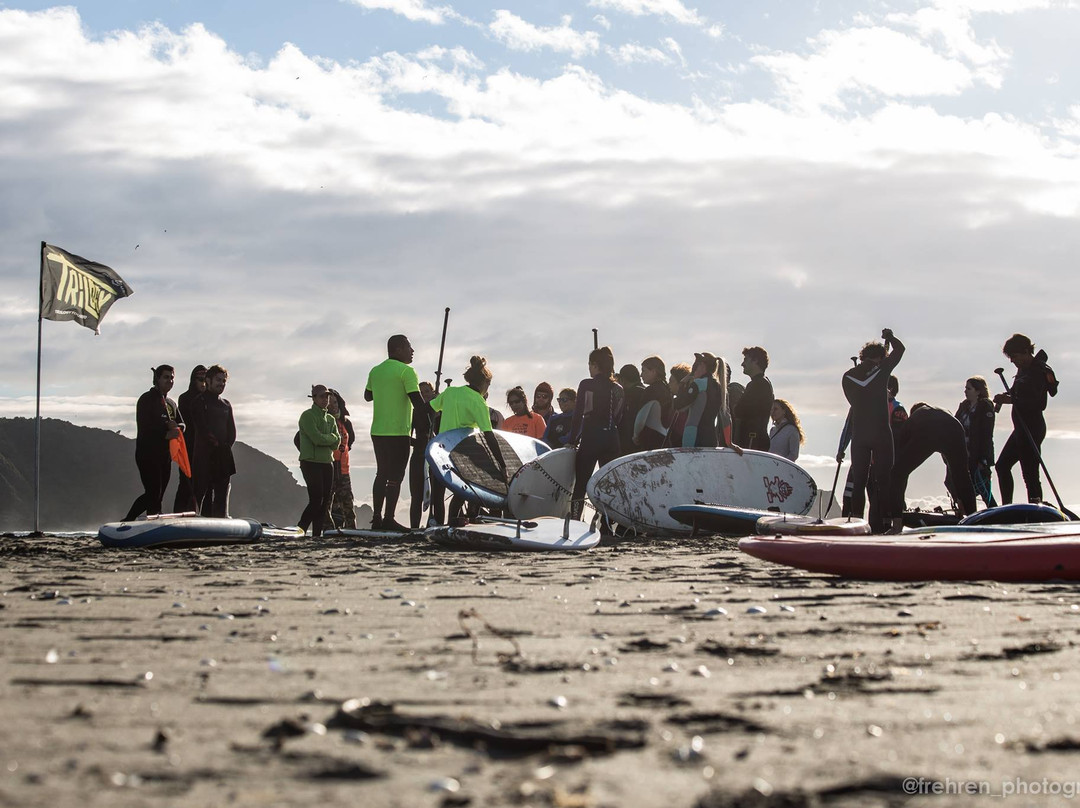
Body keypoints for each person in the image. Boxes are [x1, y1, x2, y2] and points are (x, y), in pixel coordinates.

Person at [429, 357, 507, 525]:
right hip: (461, 453)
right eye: (489, 385)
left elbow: (429, 409)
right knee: (462, 491)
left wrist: (432, 433)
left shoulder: (450, 392)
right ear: (484, 383)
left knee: (438, 493)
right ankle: (452, 522)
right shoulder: (478, 401)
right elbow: (488, 435)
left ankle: (438, 526)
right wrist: (501, 463)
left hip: (440, 450)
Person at [840, 329, 904, 533]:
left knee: (859, 481)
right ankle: (892, 525)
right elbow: (900, 349)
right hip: (881, 434)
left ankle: (858, 526)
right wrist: (891, 337)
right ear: (878, 358)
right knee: (885, 480)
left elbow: (854, 404)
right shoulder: (883, 369)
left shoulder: (847, 376)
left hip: (860, 435)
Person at [365, 335, 429, 532]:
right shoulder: (407, 371)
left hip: (377, 431)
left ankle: (376, 518)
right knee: (396, 476)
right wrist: (429, 423)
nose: (412, 351)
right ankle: (389, 518)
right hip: (398, 432)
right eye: (409, 347)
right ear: (398, 349)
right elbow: (418, 403)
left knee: (381, 473)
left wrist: (386, 390)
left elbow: (368, 396)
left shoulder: (375, 371)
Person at [994, 333, 1059, 504]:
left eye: (1014, 357)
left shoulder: (1039, 370)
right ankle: (1006, 507)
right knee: (1002, 466)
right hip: (1020, 428)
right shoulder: (1022, 369)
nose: (1012, 361)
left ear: (1024, 352)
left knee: (1029, 473)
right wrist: (1005, 396)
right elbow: (1016, 393)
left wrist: (1011, 400)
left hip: (1033, 427)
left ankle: (1036, 507)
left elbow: (1038, 403)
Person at [891, 403, 977, 519]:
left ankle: (896, 522)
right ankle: (973, 517)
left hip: (927, 430)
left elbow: (900, 454)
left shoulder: (913, 419)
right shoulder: (943, 410)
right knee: (962, 476)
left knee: (897, 475)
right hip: (955, 427)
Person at [568, 346, 625, 520]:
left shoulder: (586, 384)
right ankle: (606, 523)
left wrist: (572, 440)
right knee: (609, 484)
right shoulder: (618, 388)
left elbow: (578, 415)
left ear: (594, 365)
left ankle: (576, 520)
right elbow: (618, 416)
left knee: (581, 483)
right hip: (611, 438)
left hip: (591, 437)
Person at [123, 365, 184, 521]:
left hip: (165, 455)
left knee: (159, 494)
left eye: (172, 377)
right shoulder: (146, 399)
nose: (170, 381)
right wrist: (166, 434)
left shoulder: (171, 403)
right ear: (157, 379)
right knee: (153, 492)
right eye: (166, 377)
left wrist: (178, 428)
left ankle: (152, 521)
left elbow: (182, 423)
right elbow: (145, 428)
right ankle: (127, 520)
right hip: (147, 453)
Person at [190, 364, 235, 517]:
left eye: (224, 381)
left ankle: (220, 521)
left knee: (221, 494)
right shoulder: (199, 401)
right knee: (200, 492)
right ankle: (195, 520)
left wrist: (225, 446)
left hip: (223, 455)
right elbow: (202, 428)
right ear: (208, 380)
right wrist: (214, 445)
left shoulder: (226, 404)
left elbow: (232, 431)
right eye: (218, 380)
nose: (221, 384)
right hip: (204, 455)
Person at [297, 385, 341, 538]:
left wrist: (328, 439)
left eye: (327, 397)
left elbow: (337, 442)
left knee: (324, 503)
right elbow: (316, 439)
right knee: (316, 499)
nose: (325, 399)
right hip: (310, 462)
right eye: (322, 396)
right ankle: (300, 529)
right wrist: (329, 439)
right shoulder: (307, 416)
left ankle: (316, 535)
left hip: (327, 462)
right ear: (314, 398)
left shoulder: (330, 418)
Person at [673, 352, 738, 449]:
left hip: (693, 438)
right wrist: (729, 443)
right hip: (711, 439)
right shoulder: (720, 387)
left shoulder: (698, 384)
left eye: (695, 367)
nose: (693, 371)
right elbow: (726, 417)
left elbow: (679, 406)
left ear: (702, 365)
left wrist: (682, 384)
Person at [955, 376, 996, 508]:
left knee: (983, 488)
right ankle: (965, 511)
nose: (965, 391)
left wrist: (983, 458)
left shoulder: (985, 406)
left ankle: (994, 512)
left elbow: (986, 434)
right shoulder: (964, 406)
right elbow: (955, 424)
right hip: (964, 454)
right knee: (961, 487)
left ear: (978, 391)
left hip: (978, 455)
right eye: (965, 388)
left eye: (969, 388)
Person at [172, 365, 205, 513]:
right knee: (186, 484)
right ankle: (178, 514)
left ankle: (201, 514)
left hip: (204, 448)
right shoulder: (185, 398)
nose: (203, 383)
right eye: (200, 379)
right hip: (188, 447)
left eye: (205, 379)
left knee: (203, 485)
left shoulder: (208, 400)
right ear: (193, 380)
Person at [408, 381, 437, 529]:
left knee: (436, 497)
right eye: (421, 393)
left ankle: (434, 525)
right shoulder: (415, 412)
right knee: (416, 496)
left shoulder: (439, 411)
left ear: (433, 392)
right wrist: (419, 443)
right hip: (418, 456)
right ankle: (414, 527)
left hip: (436, 458)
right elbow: (407, 437)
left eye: (427, 391)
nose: (424, 395)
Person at [733, 346, 774, 451]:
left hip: (752, 439)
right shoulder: (762, 383)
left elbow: (739, 411)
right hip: (755, 438)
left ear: (755, 361)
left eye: (746, 360)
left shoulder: (758, 384)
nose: (742, 364)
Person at [328, 389, 357, 529]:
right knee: (326, 503)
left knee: (348, 503)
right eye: (329, 403)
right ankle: (327, 530)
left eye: (335, 402)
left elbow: (350, 441)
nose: (332, 405)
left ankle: (351, 530)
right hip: (328, 467)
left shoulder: (346, 423)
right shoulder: (321, 421)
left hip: (344, 469)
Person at [634, 355, 673, 450]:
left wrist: (635, 435)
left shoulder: (651, 391)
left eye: (644, 370)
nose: (641, 375)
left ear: (654, 372)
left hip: (650, 440)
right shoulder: (668, 390)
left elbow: (641, 417)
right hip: (665, 439)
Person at [616, 364, 646, 454]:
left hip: (628, 444)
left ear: (622, 380)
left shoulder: (628, 395)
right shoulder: (646, 392)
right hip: (643, 443)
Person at [667, 363, 692, 447]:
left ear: (680, 383)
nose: (669, 384)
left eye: (671, 381)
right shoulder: (674, 401)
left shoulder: (684, 405)